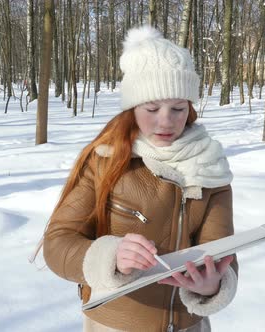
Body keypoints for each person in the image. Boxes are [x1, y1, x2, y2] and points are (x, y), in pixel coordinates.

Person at [40, 25, 238, 332]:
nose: (166, 120)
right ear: (133, 107)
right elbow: (57, 245)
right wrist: (111, 256)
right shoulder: (105, 162)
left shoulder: (210, 167)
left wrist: (214, 283)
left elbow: (222, 251)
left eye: (178, 108)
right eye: (152, 107)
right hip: (114, 325)